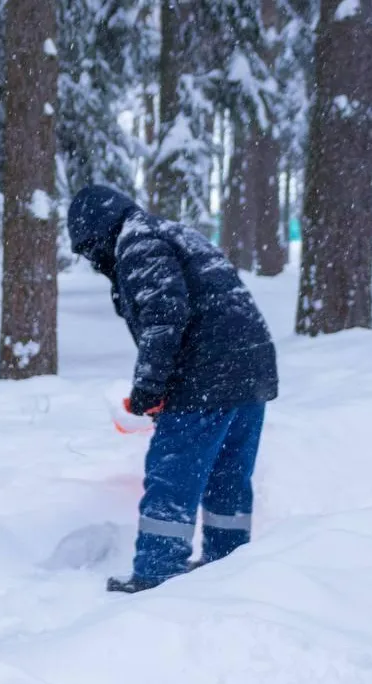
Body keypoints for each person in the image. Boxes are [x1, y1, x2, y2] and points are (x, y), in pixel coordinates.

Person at [66, 185, 279, 594]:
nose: (93, 261)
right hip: (251, 371)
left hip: (206, 378)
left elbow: (165, 318)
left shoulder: (137, 243)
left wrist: (149, 388)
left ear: (99, 233)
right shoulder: (169, 233)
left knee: (174, 474)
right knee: (228, 476)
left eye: (89, 248)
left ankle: (157, 571)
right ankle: (229, 564)